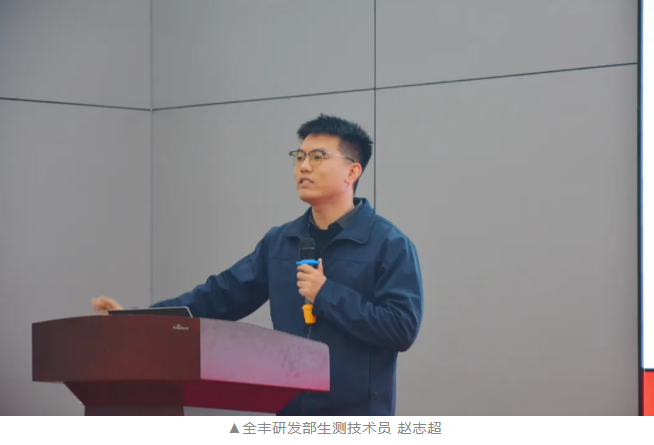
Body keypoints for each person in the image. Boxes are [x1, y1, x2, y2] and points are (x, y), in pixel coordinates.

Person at [92, 114, 424, 415]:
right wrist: (136, 321)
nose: (304, 167)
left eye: (318, 157)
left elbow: (402, 329)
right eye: (299, 157)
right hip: (289, 417)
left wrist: (326, 294)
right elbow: (218, 296)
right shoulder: (281, 242)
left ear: (353, 171)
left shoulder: (389, 244)